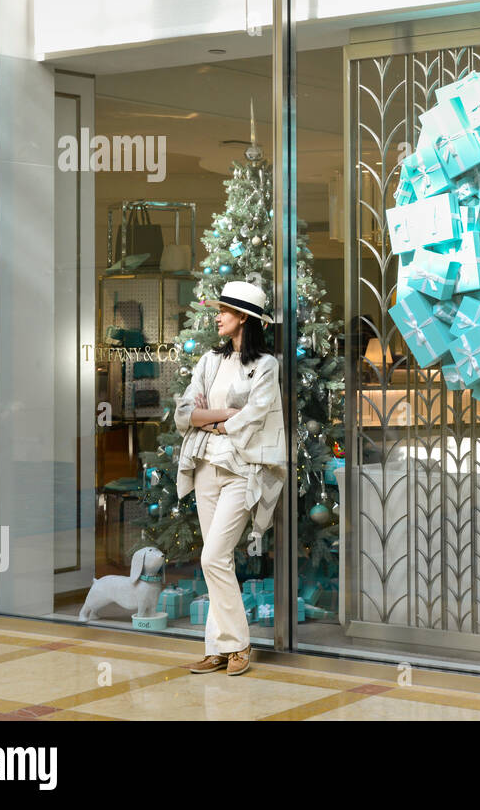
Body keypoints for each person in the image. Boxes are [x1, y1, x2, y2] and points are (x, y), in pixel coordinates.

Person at [173, 281, 287, 677]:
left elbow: (254, 417)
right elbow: (185, 412)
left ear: (243, 318)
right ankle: (217, 649)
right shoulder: (208, 361)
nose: (217, 316)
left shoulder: (266, 365)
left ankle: (238, 644)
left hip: (242, 471)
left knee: (212, 556)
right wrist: (220, 416)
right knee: (216, 559)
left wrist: (213, 419)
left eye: (223, 311)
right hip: (205, 467)